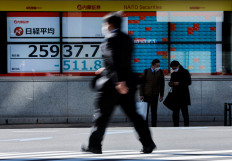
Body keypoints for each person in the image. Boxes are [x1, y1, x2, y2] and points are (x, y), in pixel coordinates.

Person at [81, 11, 156, 154]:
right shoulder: (128, 39)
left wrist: (118, 81)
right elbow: (122, 62)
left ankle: (95, 146)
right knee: (134, 115)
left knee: (102, 115)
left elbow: (114, 60)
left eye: (105, 24)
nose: (104, 27)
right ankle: (148, 143)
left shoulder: (110, 40)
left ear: (110, 25)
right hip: (128, 83)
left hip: (113, 86)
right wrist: (109, 70)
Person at [140, 59, 165, 127]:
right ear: (152, 65)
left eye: (159, 66)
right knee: (146, 111)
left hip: (155, 94)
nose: (158, 67)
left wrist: (161, 95)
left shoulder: (160, 72)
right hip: (146, 94)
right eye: (157, 66)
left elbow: (162, 84)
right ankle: (145, 125)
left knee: (154, 111)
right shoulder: (146, 71)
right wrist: (141, 94)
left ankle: (154, 125)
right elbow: (142, 84)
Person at [169, 60, 191, 127]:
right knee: (175, 113)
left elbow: (189, 82)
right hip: (175, 96)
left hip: (183, 96)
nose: (173, 69)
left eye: (174, 68)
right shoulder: (173, 74)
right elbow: (171, 82)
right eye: (172, 68)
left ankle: (186, 126)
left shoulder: (185, 72)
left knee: (185, 113)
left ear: (178, 66)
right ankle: (175, 126)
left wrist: (179, 83)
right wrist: (171, 83)